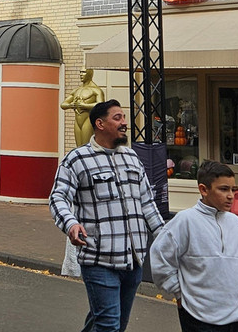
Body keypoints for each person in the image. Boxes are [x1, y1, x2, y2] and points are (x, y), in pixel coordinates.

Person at [49, 99, 166, 332]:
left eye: (124, 118)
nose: (124, 123)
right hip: (99, 260)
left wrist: (166, 236)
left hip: (133, 260)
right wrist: (70, 224)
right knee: (109, 325)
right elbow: (58, 198)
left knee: (112, 323)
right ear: (100, 124)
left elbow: (147, 203)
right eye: (118, 118)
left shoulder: (132, 158)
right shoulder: (77, 159)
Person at [151, 161, 238, 332]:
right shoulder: (185, 221)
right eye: (224, 189)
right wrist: (180, 295)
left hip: (237, 317)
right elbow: (160, 258)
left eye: (233, 190)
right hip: (197, 317)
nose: (231, 196)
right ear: (204, 189)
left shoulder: (237, 224)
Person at [61, 68, 107, 148]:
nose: (81, 74)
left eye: (84, 72)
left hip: (88, 119)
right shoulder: (76, 90)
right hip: (77, 121)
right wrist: (71, 105)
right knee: (79, 147)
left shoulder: (96, 90)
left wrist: (85, 106)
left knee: (87, 146)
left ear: (89, 73)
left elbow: (101, 105)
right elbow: (63, 104)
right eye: (80, 72)